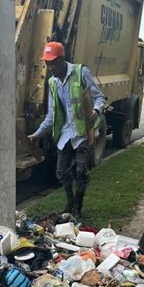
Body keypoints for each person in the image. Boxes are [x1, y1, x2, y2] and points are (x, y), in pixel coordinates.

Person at [29, 41, 105, 217]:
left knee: (80, 171)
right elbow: (52, 114)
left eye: (53, 63)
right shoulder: (53, 83)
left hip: (83, 132)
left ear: (62, 59)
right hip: (65, 133)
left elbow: (99, 97)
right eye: (47, 64)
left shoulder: (80, 72)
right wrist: (37, 134)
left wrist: (96, 110)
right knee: (61, 173)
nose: (51, 68)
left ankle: (77, 206)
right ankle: (69, 202)